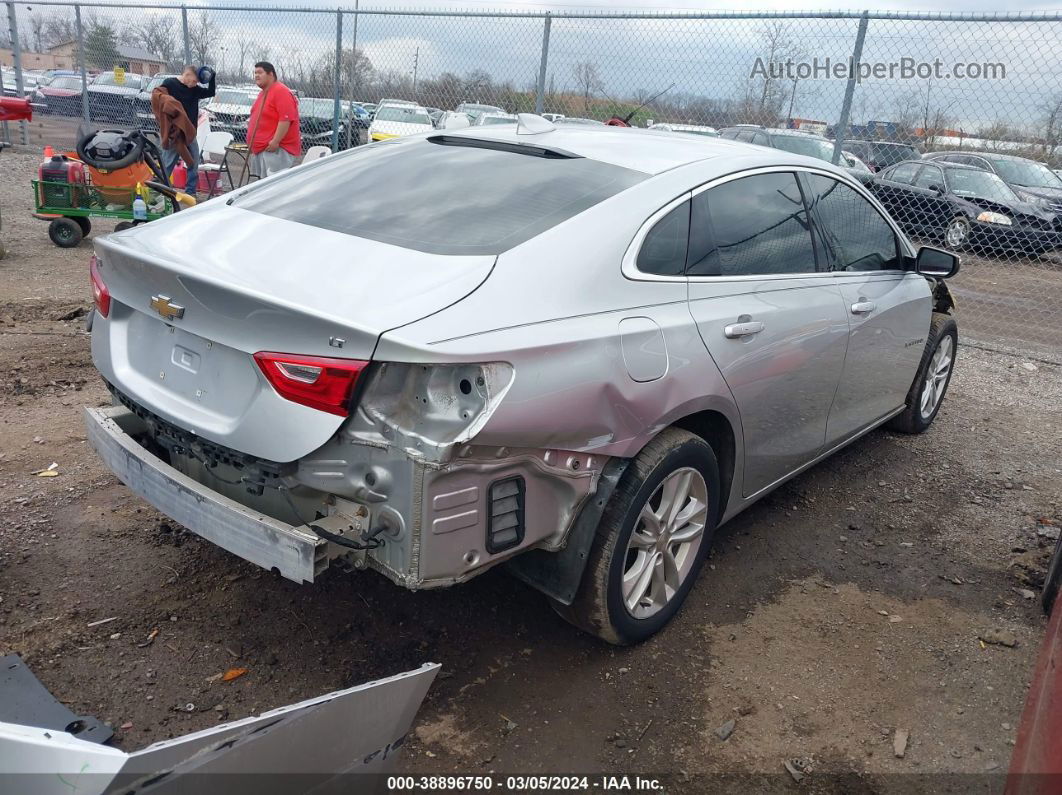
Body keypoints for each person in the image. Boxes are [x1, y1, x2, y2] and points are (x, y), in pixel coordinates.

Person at [157, 65, 215, 194]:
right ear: (187, 75)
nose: (195, 84)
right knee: (168, 163)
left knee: (193, 162)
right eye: (194, 81)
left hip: (189, 133)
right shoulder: (170, 84)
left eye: (197, 83)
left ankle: (190, 192)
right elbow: (159, 97)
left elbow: (211, 92)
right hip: (175, 133)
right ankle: (159, 190)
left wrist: (212, 77)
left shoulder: (194, 89)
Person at [247, 61, 301, 178]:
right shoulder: (263, 93)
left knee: (271, 187)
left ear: (271, 74)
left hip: (275, 151)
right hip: (260, 150)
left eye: (260, 72)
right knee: (258, 186)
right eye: (255, 73)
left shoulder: (281, 91)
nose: (256, 75)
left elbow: (285, 119)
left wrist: (275, 141)